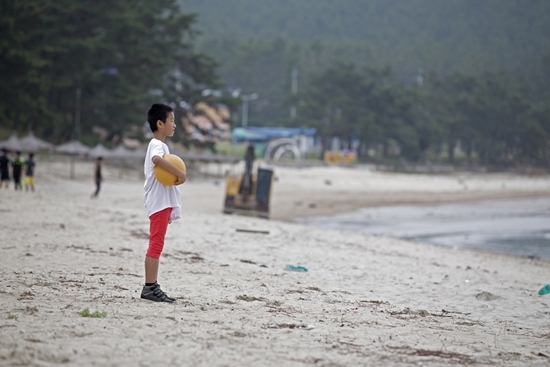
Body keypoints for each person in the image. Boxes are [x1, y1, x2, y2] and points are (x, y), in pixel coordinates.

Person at [141, 103, 186, 303]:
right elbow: (157, 160)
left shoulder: (162, 144)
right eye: (172, 120)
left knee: (158, 242)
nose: (174, 125)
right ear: (160, 123)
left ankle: (152, 285)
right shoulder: (156, 144)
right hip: (158, 202)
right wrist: (179, 173)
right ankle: (150, 287)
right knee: (156, 243)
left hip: (161, 202)